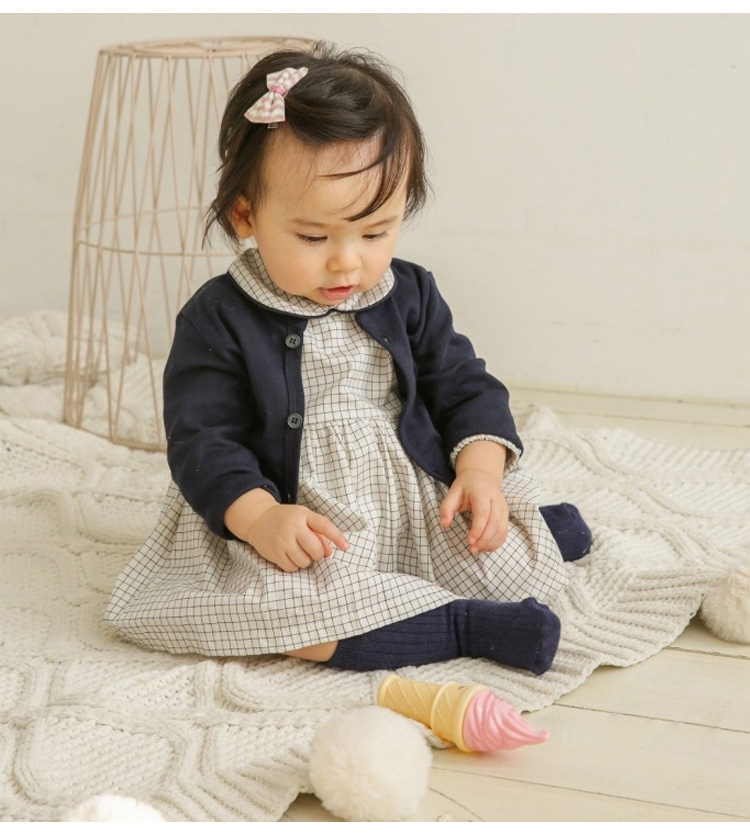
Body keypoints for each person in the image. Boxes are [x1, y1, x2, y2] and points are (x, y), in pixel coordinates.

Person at [106, 43, 591, 675]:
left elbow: (463, 383)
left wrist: (480, 473)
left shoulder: (408, 293)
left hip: (412, 499)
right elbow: (203, 439)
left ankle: (541, 528)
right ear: (245, 214)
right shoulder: (219, 317)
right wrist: (260, 518)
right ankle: (462, 626)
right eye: (313, 237)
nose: (347, 261)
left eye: (375, 232)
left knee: (497, 550)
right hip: (300, 518)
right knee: (277, 612)